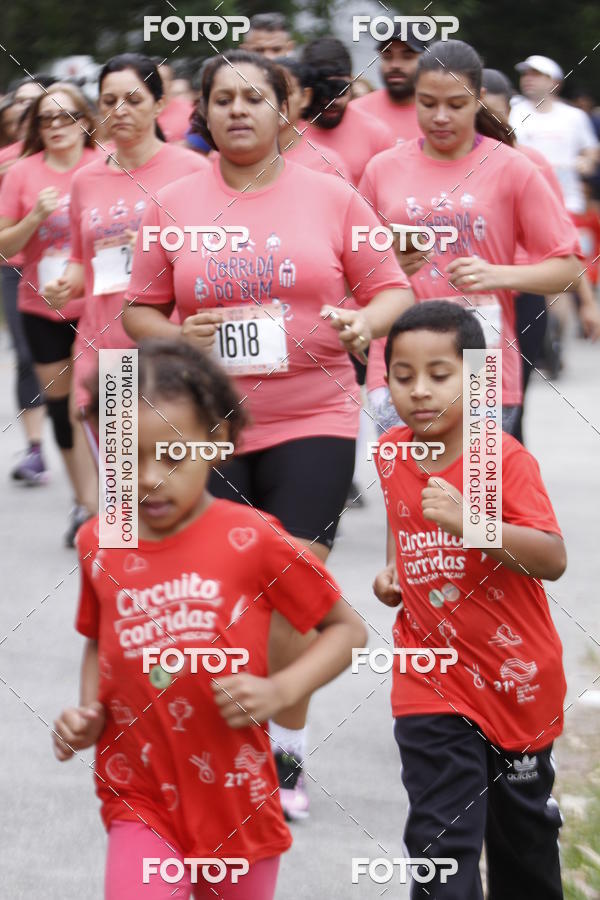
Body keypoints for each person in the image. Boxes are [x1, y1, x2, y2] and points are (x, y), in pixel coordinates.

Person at [121, 49, 413, 818]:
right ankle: (220, 745)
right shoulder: (173, 202)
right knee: (221, 592)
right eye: (224, 99)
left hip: (313, 414)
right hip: (210, 427)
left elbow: (392, 289)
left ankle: (285, 749)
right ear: (204, 113)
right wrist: (180, 333)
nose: (239, 110)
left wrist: (363, 321)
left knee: (292, 586)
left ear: (285, 111)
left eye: (255, 97)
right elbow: (138, 311)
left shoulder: (331, 194)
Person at [53, 338, 367, 899]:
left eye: (173, 456)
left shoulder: (253, 538)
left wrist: (280, 690)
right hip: (138, 792)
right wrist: (87, 711)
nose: (150, 477)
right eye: (129, 457)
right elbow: (100, 639)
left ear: (216, 442)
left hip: (237, 799)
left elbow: (347, 631)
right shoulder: (100, 539)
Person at [372, 301, 567, 900]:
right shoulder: (391, 452)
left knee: (522, 844)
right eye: (403, 376)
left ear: (478, 378)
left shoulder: (502, 458)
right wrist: (393, 573)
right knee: (439, 839)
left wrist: (473, 524)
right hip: (430, 677)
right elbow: (405, 529)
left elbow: (552, 557)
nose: (419, 391)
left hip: (515, 677)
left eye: (439, 374)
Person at [359, 40, 582, 438]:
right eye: (428, 103)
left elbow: (567, 269)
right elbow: (351, 269)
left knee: (477, 481)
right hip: (402, 360)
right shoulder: (383, 169)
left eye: (457, 104)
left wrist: (498, 275)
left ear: (478, 99)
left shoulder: (512, 167)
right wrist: (389, 265)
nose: (441, 117)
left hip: (481, 359)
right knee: (411, 480)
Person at [42, 54, 207, 456]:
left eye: (133, 100)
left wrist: (158, 248)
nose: (119, 111)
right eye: (109, 101)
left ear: (159, 103)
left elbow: (213, 256)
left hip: (170, 344)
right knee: (121, 478)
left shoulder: (193, 170)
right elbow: (81, 260)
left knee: (172, 475)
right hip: (107, 348)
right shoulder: (85, 180)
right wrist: (64, 285)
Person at [0, 83, 99, 542]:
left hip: (101, 307)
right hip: (42, 307)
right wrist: (34, 218)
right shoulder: (23, 172)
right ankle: (85, 504)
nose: (58, 125)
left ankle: (120, 508)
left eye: (67, 116)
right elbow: (5, 247)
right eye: (47, 118)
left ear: (85, 120)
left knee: (108, 405)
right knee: (63, 410)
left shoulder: (105, 164)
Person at [482, 68, 600, 441]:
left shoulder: (530, 163)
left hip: (524, 296)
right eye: (482, 114)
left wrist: (587, 302)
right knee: (480, 406)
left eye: (497, 115)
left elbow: (564, 247)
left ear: (510, 113)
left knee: (511, 401)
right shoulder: (457, 167)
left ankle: (506, 471)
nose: (490, 124)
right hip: (473, 301)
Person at [0, 78, 49, 484]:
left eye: (36, 102)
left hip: (78, 272)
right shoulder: (7, 161)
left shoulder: (84, 156)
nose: (25, 109)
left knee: (98, 359)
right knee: (27, 354)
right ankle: (35, 449)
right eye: (19, 102)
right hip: (16, 268)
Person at [300, 37, 395, 185]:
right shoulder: (283, 132)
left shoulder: (376, 134)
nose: (332, 101)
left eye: (340, 89)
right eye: (323, 90)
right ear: (306, 88)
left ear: (352, 80)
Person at [351, 20, 426, 143]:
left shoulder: (441, 117)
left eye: (407, 57)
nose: (395, 65)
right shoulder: (355, 112)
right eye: (387, 57)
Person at [275, 58, 350, 179]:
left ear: (305, 97)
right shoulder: (243, 158)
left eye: (284, 93)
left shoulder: (327, 165)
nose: (274, 101)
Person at [157, 62, 194, 142]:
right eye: (154, 78)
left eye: (163, 79)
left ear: (171, 82)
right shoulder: (139, 111)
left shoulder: (191, 110)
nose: (158, 83)